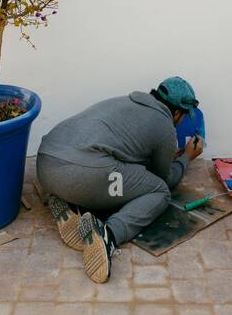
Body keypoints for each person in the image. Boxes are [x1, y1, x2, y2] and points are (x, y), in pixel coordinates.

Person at [35, 77, 202, 283]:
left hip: (46, 164)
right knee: (159, 191)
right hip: (81, 173)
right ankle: (109, 234)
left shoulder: (125, 102)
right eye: (184, 117)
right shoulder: (165, 125)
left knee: (117, 174)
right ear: (177, 113)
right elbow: (164, 180)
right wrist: (187, 157)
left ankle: (69, 202)